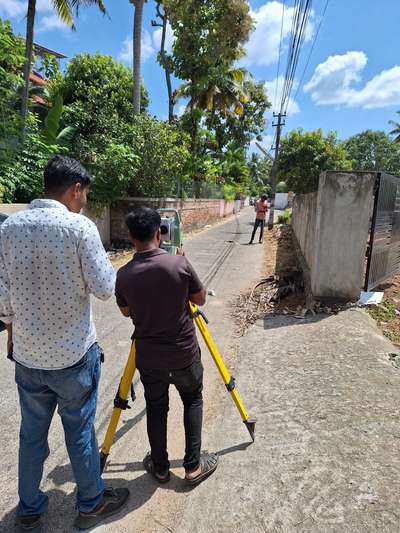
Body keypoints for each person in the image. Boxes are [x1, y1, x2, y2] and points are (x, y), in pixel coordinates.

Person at [0, 155, 129, 532]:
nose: (85, 201)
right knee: (79, 430)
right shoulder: (79, 228)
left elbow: (3, 300)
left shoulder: (9, 229)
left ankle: (29, 508)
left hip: (27, 356)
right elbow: (106, 288)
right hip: (73, 356)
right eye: (85, 194)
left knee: (31, 434)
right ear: (75, 189)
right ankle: (90, 502)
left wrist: (15, 327)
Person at [115, 207, 219, 485]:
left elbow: (126, 312)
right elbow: (200, 299)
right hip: (184, 355)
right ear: (159, 234)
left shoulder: (123, 274)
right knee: (192, 400)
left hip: (149, 360)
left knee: (156, 409)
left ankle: (160, 468)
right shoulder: (178, 265)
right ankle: (193, 467)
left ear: (131, 237)